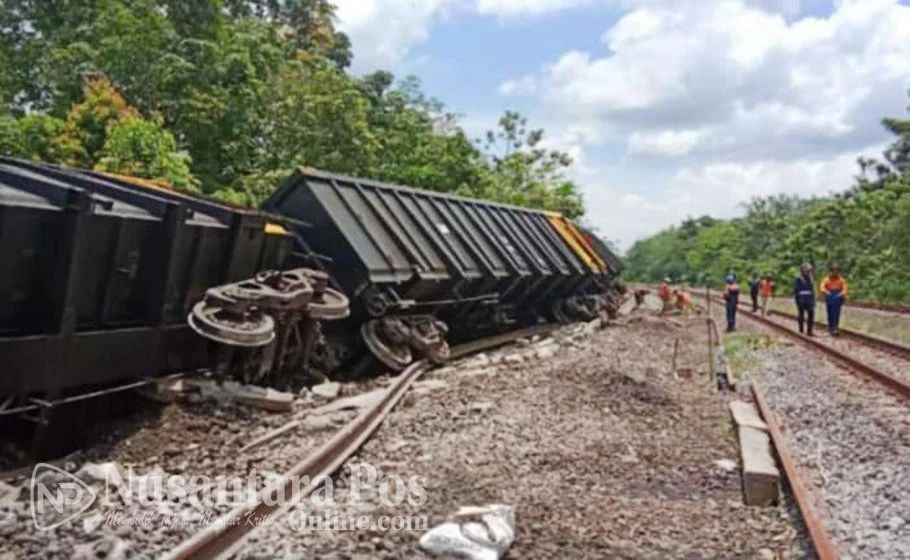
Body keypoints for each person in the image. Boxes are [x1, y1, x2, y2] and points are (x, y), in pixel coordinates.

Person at [819, 267, 848, 335]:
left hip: (837, 295)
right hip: (830, 295)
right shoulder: (826, 279)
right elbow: (822, 287)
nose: (835, 273)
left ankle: (835, 327)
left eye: (836, 272)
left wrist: (841, 294)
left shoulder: (841, 280)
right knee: (830, 311)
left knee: (836, 312)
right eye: (833, 272)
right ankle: (831, 327)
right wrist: (826, 292)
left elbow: (844, 289)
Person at [793, 263, 815, 336]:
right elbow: (796, 291)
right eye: (807, 270)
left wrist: (813, 300)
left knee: (811, 313)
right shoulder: (799, 279)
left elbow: (812, 290)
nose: (808, 271)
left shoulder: (811, 278)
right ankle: (801, 329)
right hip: (801, 299)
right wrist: (797, 300)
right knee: (801, 314)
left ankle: (809, 331)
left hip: (809, 299)